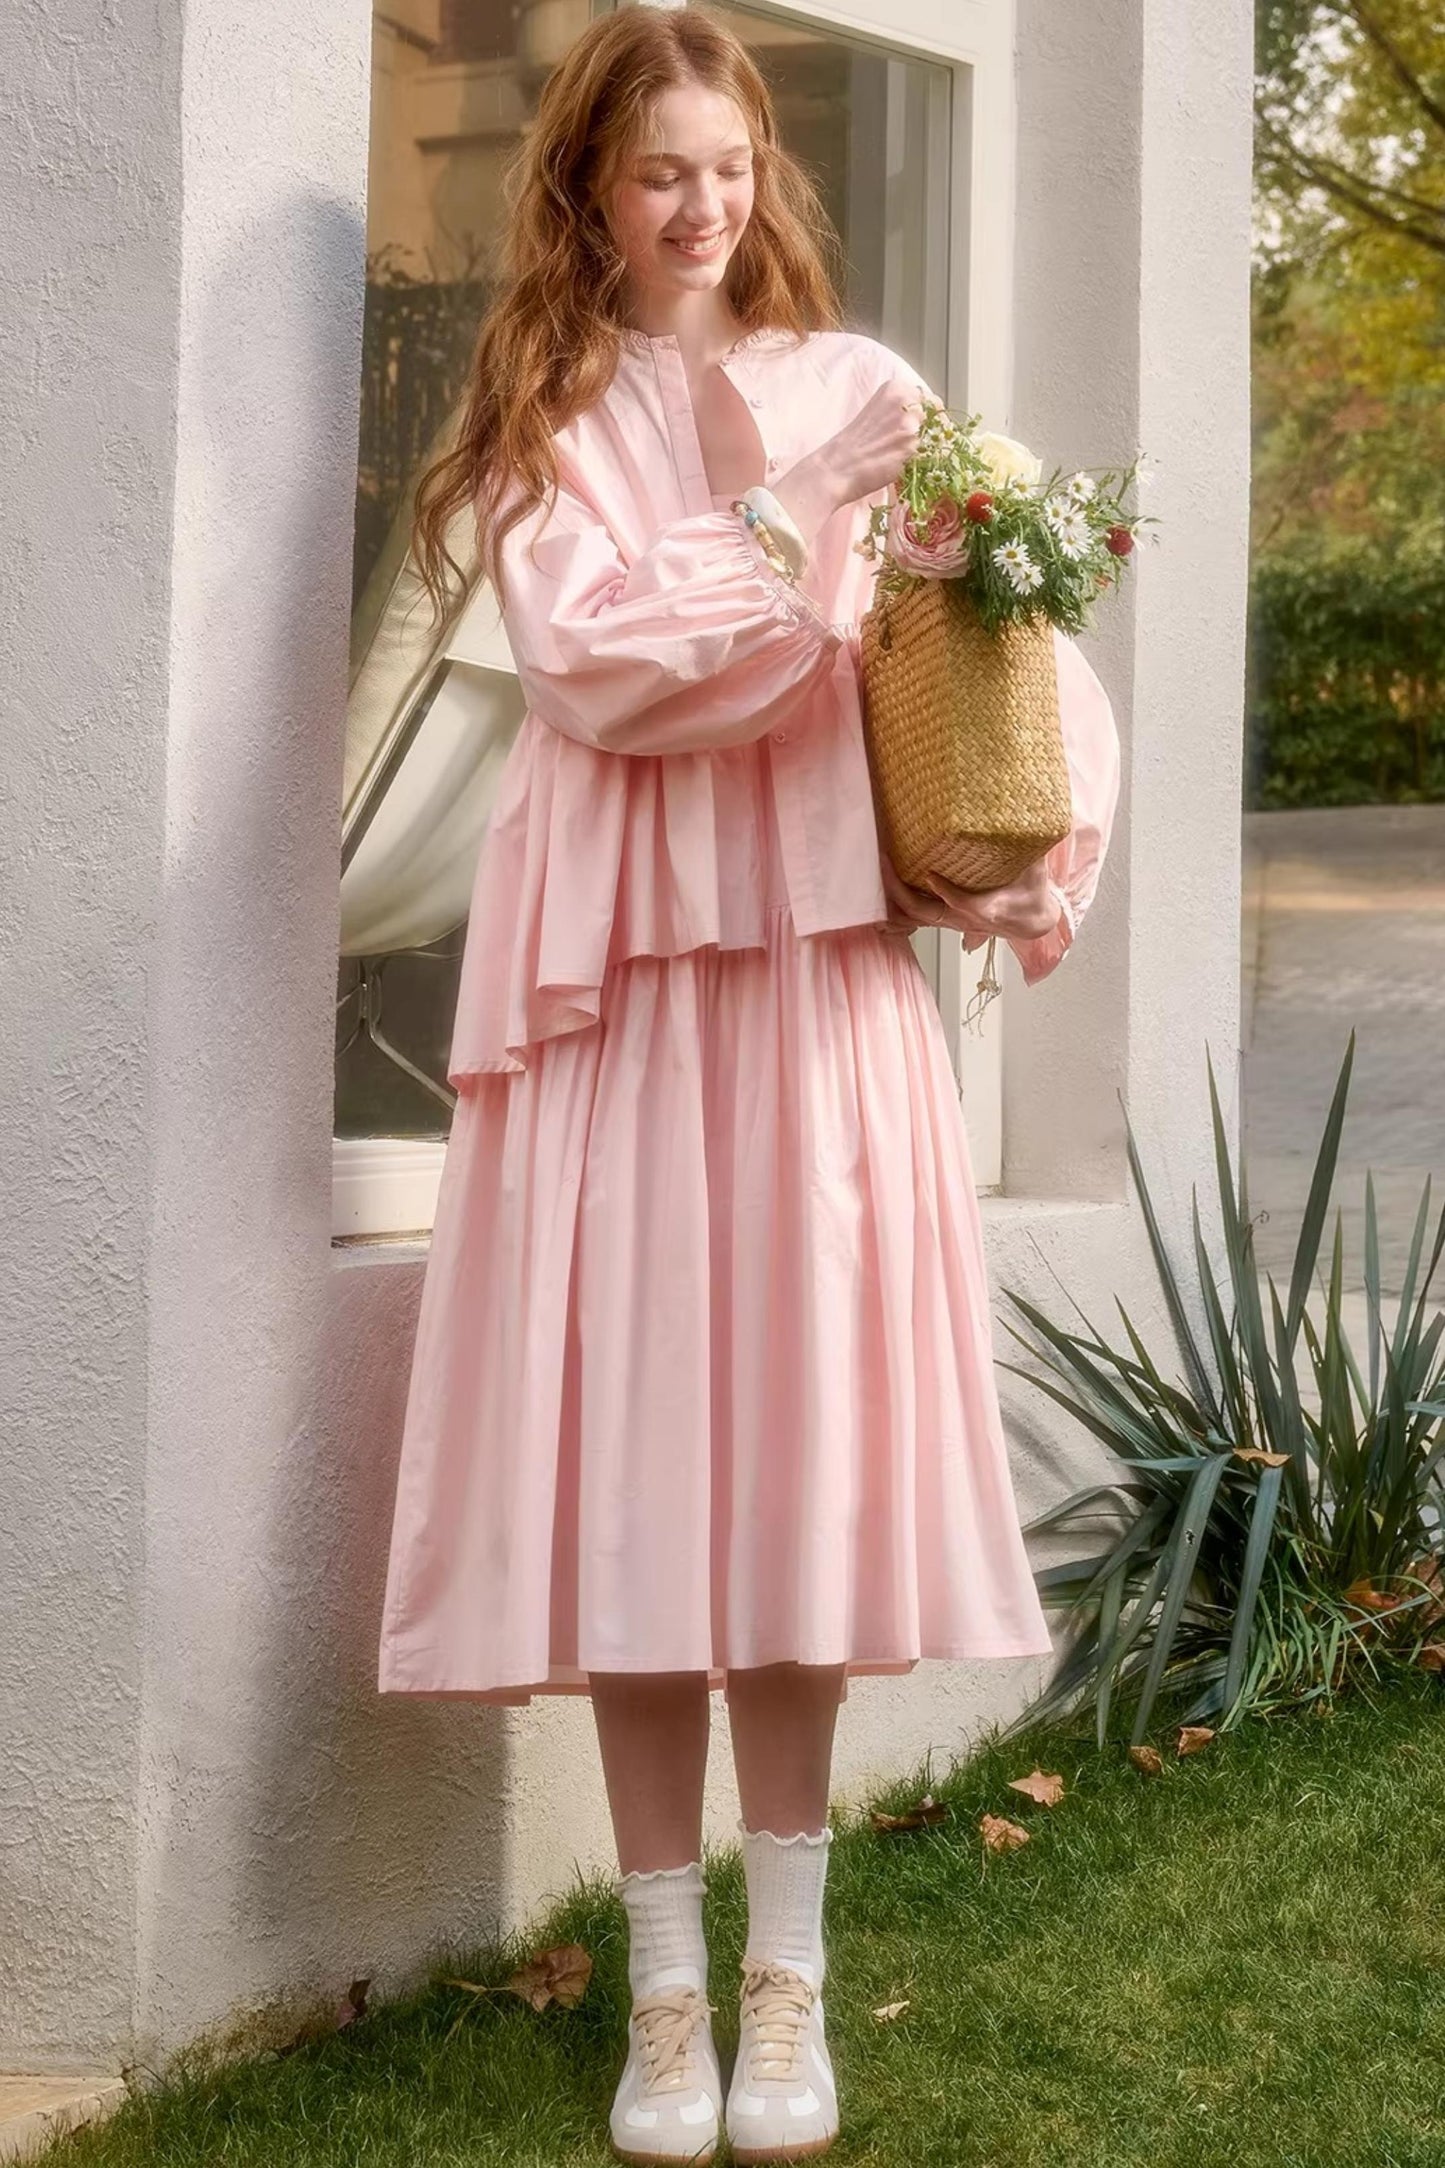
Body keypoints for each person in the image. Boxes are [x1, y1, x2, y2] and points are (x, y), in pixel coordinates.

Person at [378, 7, 1121, 2163]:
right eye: (655, 171)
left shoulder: (871, 389)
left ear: (759, 169)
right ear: (588, 189)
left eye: (726, 164)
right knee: (642, 1466)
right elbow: (609, 666)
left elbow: (998, 658)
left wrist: (1013, 714)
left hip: (809, 974)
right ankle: (668, 1998)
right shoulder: (534, 409)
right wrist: (798, 530)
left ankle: (788, 1987)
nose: (700, 204)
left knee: (792, 1464)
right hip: (619, 979)